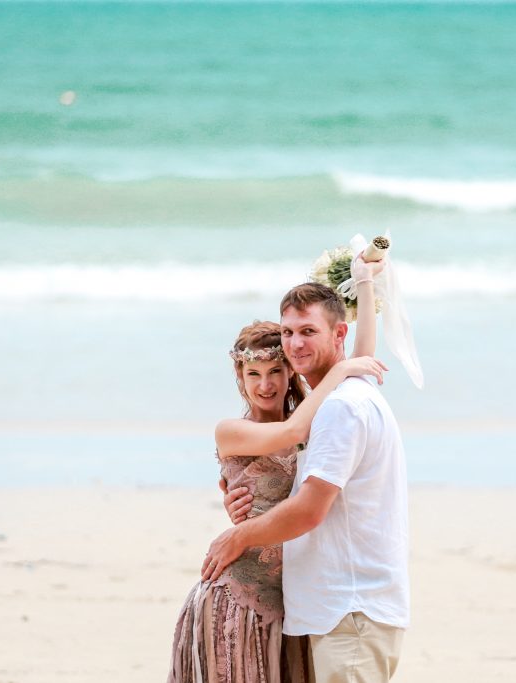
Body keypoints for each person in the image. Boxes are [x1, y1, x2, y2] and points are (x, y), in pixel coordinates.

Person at [167, 258, 387, 683]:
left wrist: (364, 286)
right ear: (240, 377)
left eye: (274, 372)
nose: (264, 385)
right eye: (253, 374)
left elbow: (361, 366)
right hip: (238, 600)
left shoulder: (318, 416)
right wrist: (341, 368)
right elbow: (294, 427)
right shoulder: (233, 431)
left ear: (290, 372)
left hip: (294, 602)